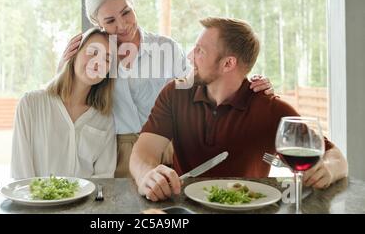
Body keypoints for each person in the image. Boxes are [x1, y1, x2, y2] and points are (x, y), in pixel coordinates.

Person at [59, 0, 274, 177]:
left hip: (168, 148)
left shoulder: (166, 48)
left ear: (133, 5)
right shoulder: (94, 58)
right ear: (97, 23)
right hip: (115, 155)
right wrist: (63, 68)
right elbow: (71, 99)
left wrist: (247, 87)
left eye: (126, 13)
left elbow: (204, 91)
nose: (122, 25)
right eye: (110, 20)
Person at [129, 17, 348, 201]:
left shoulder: (269, 108)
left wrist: (328, 169)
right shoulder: (175, 93)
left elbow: (336, 157)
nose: (189, 57)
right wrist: (146, 175)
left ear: (228, 64)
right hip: (183, 209)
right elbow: (143, 152)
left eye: (200, 51)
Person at [11, 27, 116, 179]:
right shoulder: (30, 104)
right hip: (34, 202)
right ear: (74, 54)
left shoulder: (105, 119)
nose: (97, 62)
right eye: (93, 52)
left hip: (87, 203)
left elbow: (104, 180)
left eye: (107, 59)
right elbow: (21, 175)